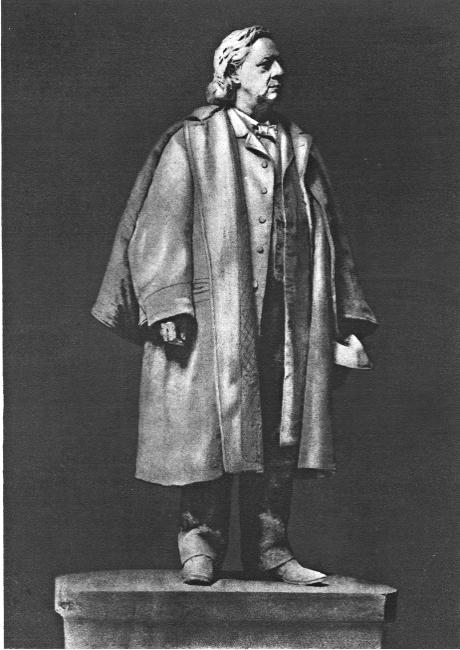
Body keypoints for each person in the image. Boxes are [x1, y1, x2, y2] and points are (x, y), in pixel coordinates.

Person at [92, 25, 378, 586]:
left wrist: (343, 317)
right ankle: (200, 546)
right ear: (232, 72)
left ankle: (272, 548)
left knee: (280, 431)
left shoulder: (297, 146)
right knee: (209, 430)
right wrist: (168, 305)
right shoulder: (194, 141)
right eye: (265, 64)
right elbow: (160, 226)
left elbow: (331, 237)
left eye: (278, 64)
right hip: (214, 316)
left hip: (288, 315)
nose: (278, 74)